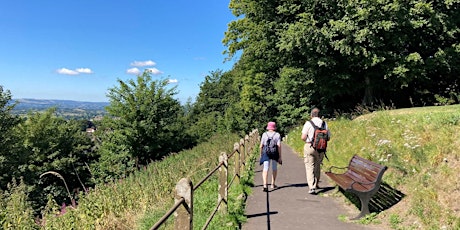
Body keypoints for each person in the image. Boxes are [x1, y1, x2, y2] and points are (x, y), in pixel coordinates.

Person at [301, 108, 331, 195]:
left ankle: (312, 187)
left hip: (310, 146)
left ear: (311, 115)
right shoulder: (324, 123)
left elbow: (303, 137)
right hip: (321, 148)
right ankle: (317, 183)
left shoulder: (308, 123)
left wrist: (310, 140)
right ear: (319, 115)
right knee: (318, 165)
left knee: (310, 166)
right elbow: (328, 138)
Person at [259, 121, 282, 192]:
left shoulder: (264, 134)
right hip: (274, 152)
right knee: (274, 167)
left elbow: (261, 146)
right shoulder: (277, 134)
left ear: (268, 127)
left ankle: (265, 185)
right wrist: (280, 156)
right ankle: (272, 184)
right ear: (274, 127)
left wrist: (261, 154)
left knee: (265, 168)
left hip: (266, 152)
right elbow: (279, 146)